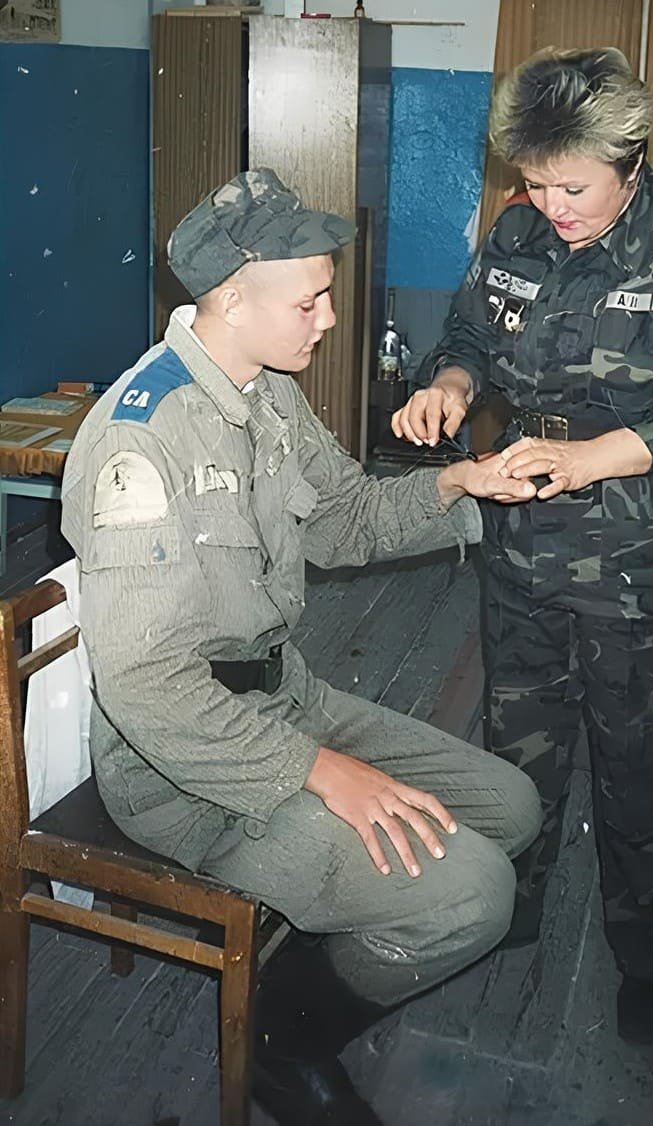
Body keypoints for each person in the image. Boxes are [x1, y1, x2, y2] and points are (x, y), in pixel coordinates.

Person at [60, 168, 542, 1126]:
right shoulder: (137, 442)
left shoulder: (267, 392)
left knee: (514, 807)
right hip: (185, 767)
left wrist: (462, 485)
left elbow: (343, 519)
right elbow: (148, 689)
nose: (328, 317)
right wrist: (317, 770)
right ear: (234, 300)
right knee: (474, 895)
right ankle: (284, 1040)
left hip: (289, 697)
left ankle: (357, 925)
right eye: (310, 298)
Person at [392, 46, 653, 1046]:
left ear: (630, 162)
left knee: (637, 763)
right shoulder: (516, 229)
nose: (551, 205)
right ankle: (506, 908)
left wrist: (602, 454)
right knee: (520, 743)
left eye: (574, 187)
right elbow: (468, 334)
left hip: (644, 562)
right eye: (536, 183)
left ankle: (650, 959)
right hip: (523, 540)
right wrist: (452, 386)